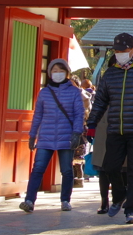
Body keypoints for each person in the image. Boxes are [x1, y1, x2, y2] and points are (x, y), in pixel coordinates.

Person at [85, 33, 133, 225]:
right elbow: (100, 101)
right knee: (110, 166)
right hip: (115, 128)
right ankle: (119, 195)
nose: (120, 54)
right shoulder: (110, 73)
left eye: (124, 50)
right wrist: (92, 124)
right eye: (117, 51)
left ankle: (131, 209)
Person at [19, 59, 85, 213]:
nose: (57, 73)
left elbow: (78, 114)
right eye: (54, 71)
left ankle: (65, 200)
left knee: (67, 170)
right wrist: (32, 135)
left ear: (67, 73)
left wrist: (76, 132)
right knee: (38, 168)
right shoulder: (44, 93)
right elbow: (38, 115)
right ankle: (29, 200)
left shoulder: (74, 92)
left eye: (60, 70)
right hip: (46, 136)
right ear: (50, 73)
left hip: (66, 135)